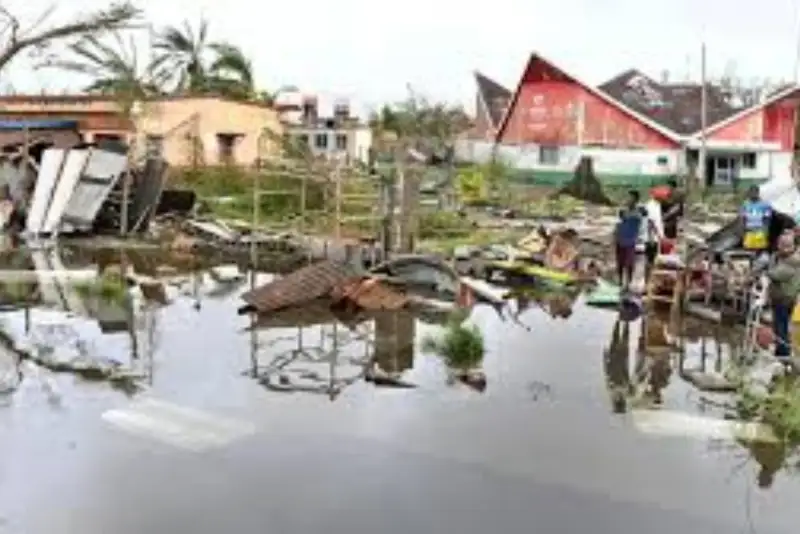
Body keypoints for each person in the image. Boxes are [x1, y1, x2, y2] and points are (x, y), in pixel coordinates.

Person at [766, 232, 800, 362]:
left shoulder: (792, 261)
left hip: (784, 298)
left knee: (781, 327)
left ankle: (783, 355)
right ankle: (781, 351)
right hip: (783, 297)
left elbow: (776, 275)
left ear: (791, 246)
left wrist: (769, 269)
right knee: (780, 326)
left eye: (784, 245)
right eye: (780, 245)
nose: (781, 248)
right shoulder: (786, 258)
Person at [614, 190, 647, 290]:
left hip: (630, 240)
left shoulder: (639, 211)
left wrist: (628, 213)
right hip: (620, 239)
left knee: (629, 263)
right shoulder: (623, 211)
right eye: (627, 197)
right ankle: (620, 281)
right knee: (620, 262)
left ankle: (628, 282)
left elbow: (639, 216)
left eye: (630, 197)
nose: (628, 199)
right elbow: (619, 222)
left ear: (635, 199)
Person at [740, 185, 772, 257]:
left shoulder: (765, 204)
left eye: (755, 192)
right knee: (749, 250)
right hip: (749, 230)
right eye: (751, 192)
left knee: (759, 250)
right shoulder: (745, 204)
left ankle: (759, 264)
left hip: (760, 230)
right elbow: (743, 218)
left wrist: (766, 230)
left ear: (758, 193)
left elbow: (767, 219)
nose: (753, 194)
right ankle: (751, 265)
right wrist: (743, 230)